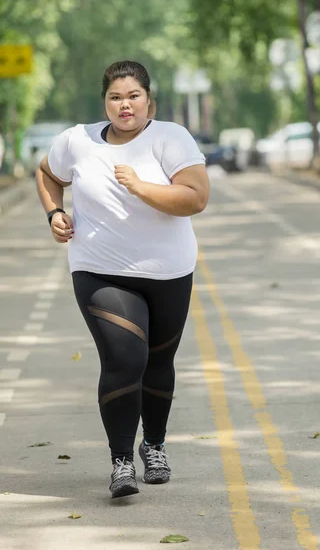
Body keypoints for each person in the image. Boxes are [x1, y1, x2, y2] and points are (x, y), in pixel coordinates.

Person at [36, 60, 209, 499]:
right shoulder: (77, 140)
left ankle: (153, 445)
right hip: (99, 269)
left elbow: (196, 197)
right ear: (105, 102)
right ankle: (120, 461)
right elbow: (47, 174)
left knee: (158, 361)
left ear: (149, 100)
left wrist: (141, 188)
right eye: (115, 97)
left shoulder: (171, 137)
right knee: (124, 360)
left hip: (168, 271)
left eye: (133, 96)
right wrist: (55, 212)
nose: (124, 105)